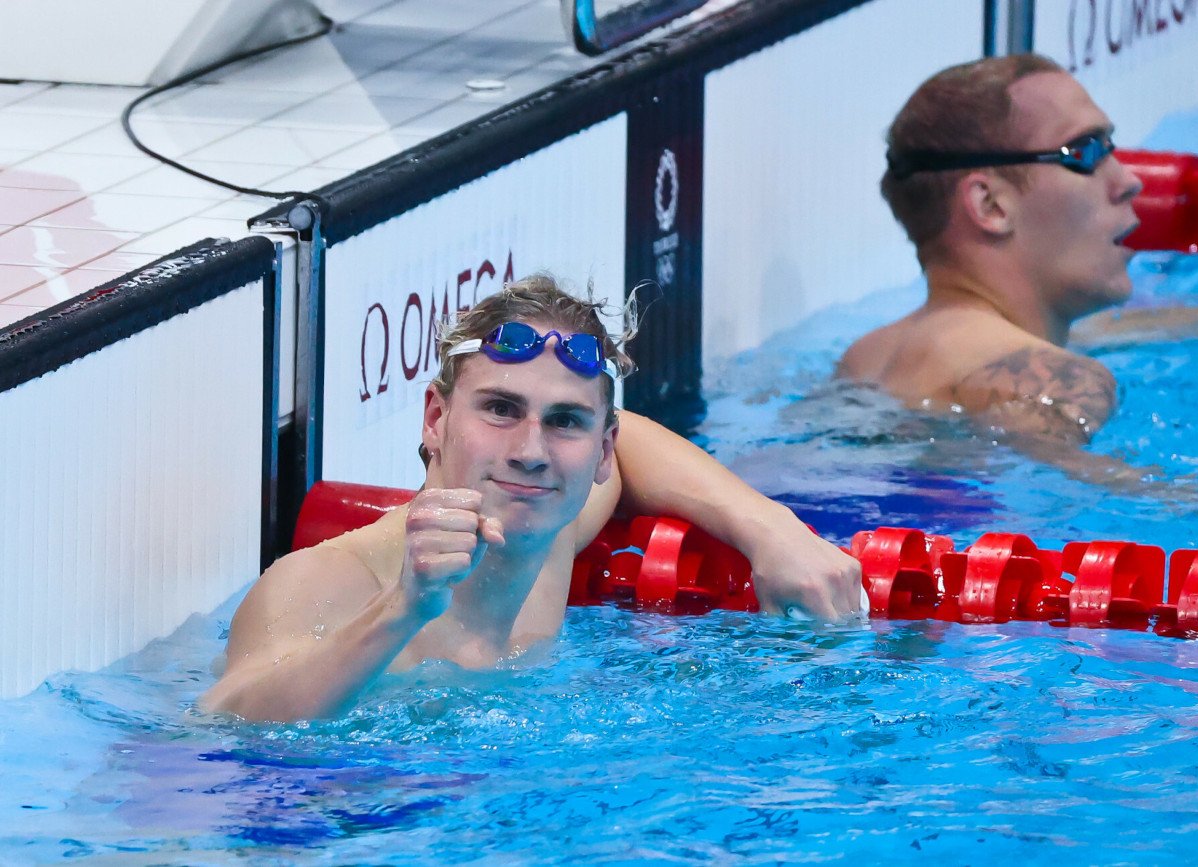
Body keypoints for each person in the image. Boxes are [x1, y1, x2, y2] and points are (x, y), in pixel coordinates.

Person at [204, 274, 864, 722]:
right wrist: (401, 610)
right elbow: (230, 721)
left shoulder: (551, 529)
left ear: (600, 451)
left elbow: (629, 434)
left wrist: (771, 529)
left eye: (564, 420)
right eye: (500, 408)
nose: (531, 450)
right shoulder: (326, 583)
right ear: (435, 418)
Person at [837, 54, 1198, 454]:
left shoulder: (867, 358)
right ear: (991, 205)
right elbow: (1091, 504)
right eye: (1084, 152)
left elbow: (1099, 332)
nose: (1130, 181)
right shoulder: (1061, 382)